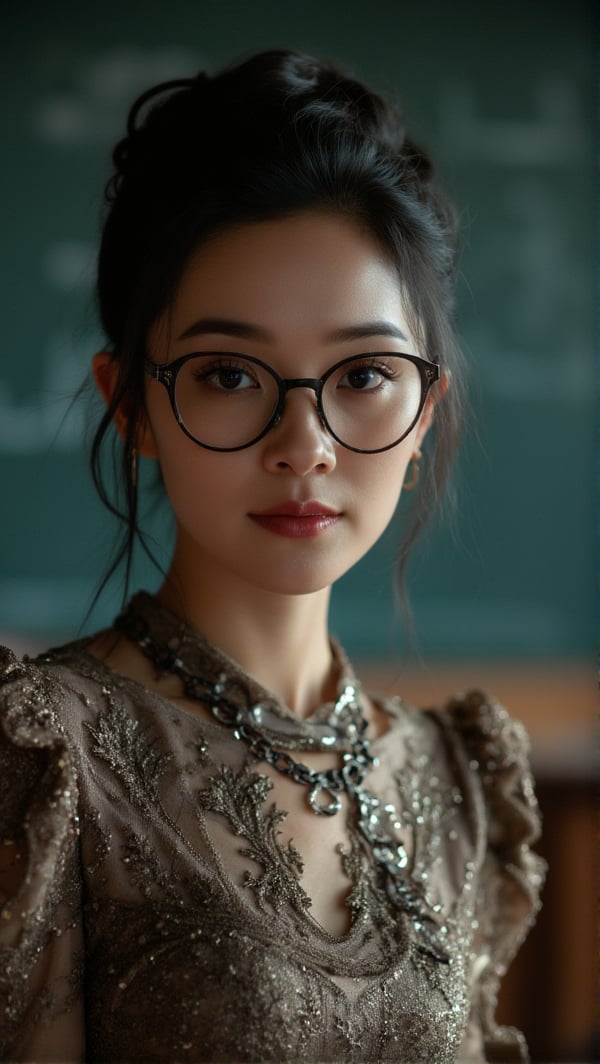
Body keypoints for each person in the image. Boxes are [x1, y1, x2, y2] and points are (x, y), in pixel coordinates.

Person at [0, 49, 545, 1063]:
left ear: (425, 409)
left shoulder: (454, 774)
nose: (307, 444)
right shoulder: (46, 756)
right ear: (132, 403)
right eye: (227, 373)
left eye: (365, 373)